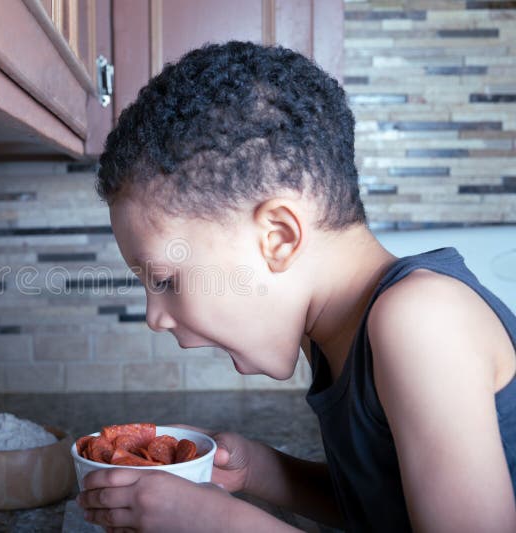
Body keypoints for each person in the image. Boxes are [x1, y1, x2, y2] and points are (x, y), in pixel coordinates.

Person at [75, 40, 516, 532]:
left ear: (278, 237)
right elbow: (387, 507)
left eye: (163, 278)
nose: (155, 317)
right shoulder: (330, 332)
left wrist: (221, 524)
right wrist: (261, 471)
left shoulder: (419, 320)